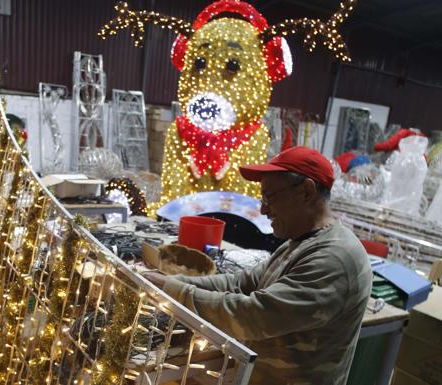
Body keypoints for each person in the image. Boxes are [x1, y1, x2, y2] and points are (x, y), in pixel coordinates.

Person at [145, 146, 373, 385]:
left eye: (269, 197)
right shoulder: (297, 242)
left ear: (306, 192)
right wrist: (171, 283)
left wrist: (174, 291)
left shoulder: (334, 258)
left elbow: (253, 315)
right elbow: (240, 284)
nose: (263, 209)